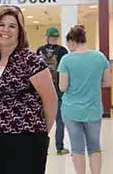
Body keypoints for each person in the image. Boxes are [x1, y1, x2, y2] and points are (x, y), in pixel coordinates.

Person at [0, 5, 58, 174]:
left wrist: (41, 133)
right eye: (1, 25)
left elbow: (51, 101)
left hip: (28, 138)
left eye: (12, 26)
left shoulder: (31, 60)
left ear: (20, 32)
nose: (5, 30)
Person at [57, 25, 111, 174]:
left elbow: (62, 87)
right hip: (93, 109)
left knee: (77, 147)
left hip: (71, 110)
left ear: (72, 41)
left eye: (68, 43)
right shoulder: (99, 57)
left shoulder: (66, 60)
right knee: (94, 146)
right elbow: (107, 83)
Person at [36, 26, 70, 155]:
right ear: (57, 37)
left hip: (41, 90)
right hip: (58, 90)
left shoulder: (40, 50)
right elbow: (65, 72)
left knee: (41, 120)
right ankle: (60, 147)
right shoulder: (63, 51)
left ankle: (40, 147)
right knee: (59, 120)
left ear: (47, 37)